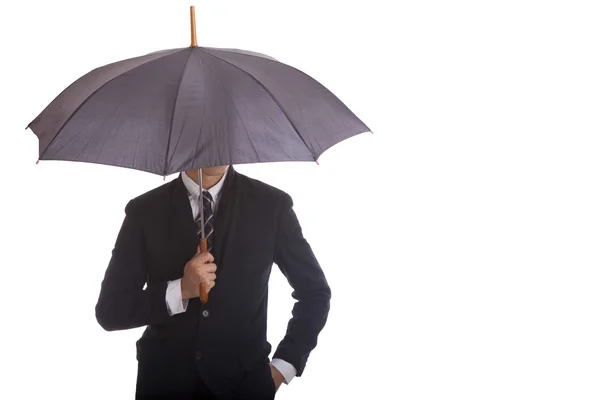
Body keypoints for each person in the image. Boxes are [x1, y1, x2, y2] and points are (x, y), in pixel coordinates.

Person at [95, 165, 331, 399]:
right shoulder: (144, 211)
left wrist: (283, 366)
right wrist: (181, 290)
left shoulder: (271, 206)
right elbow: (111, 310)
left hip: (245, 387)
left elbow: (314, 293)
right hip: (163, 385)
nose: (216, 147)